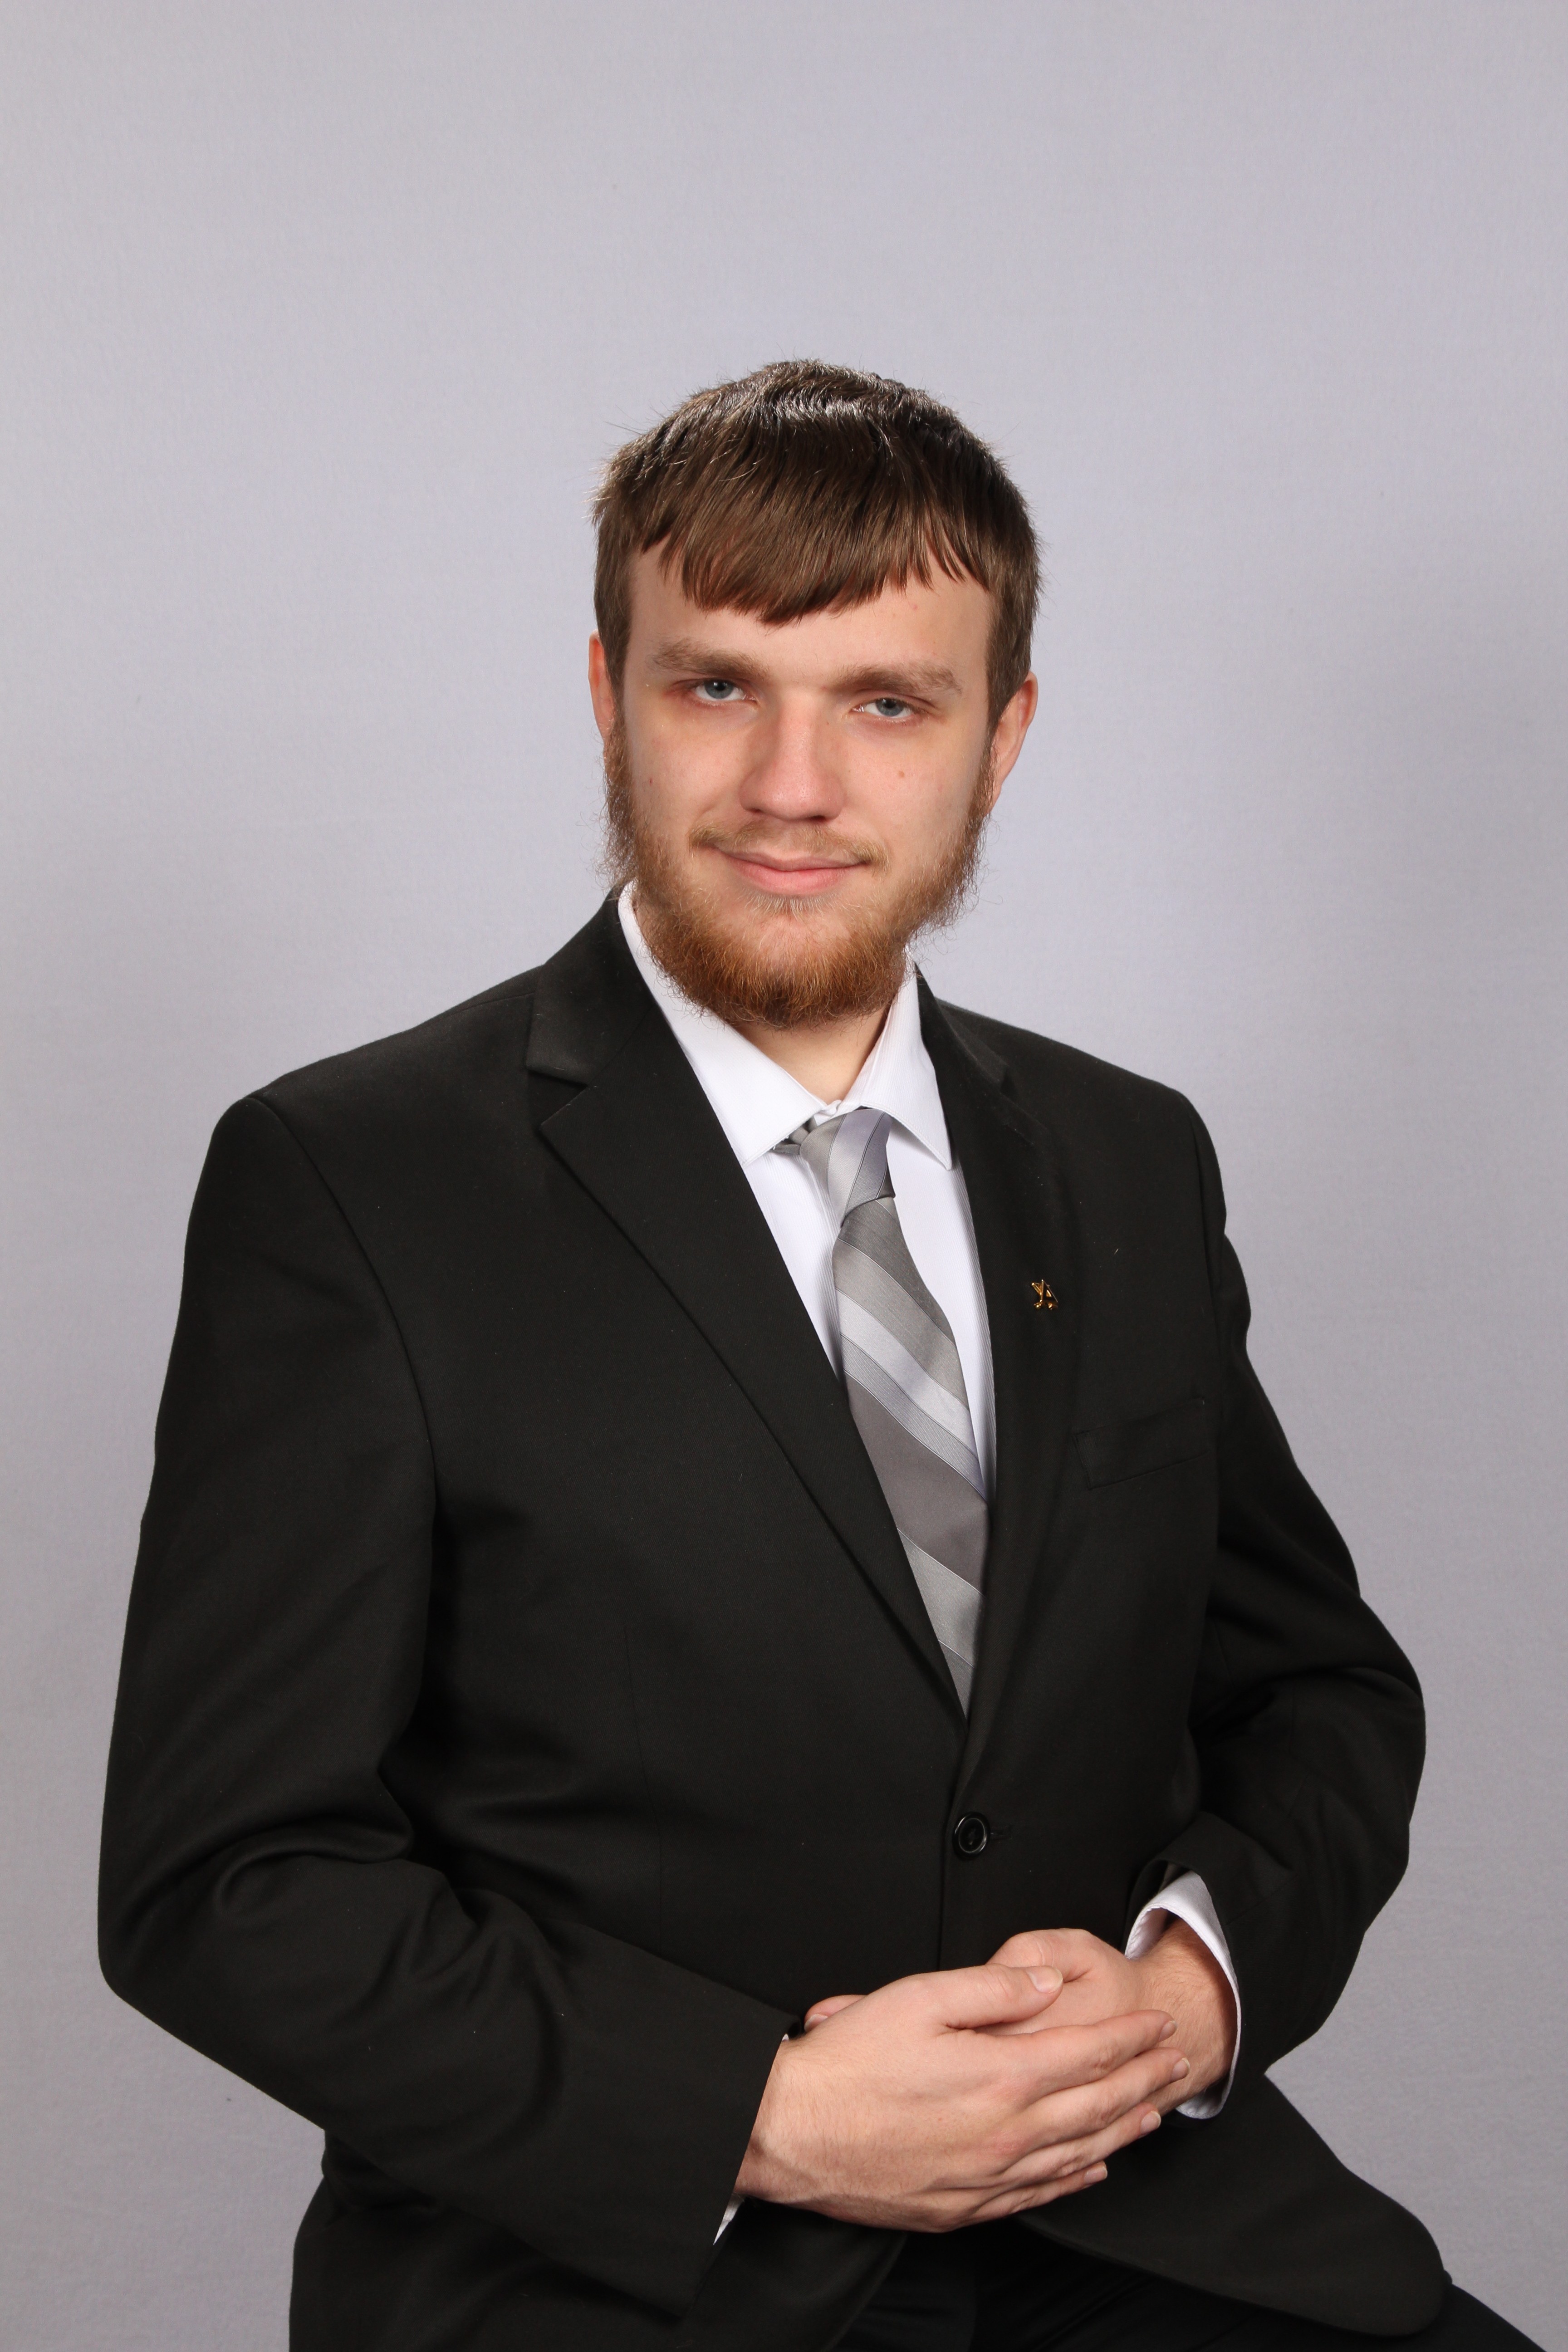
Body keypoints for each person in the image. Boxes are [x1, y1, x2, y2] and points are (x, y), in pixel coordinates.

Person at [99, 361, 1534, 2352]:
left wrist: (1191, 1989)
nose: (793, 785)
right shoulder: (350, 1181)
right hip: (620, 2280)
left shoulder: (1126, 1156)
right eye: (718, 686)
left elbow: (1318, 1691)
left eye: (887, 703)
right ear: (606, 695)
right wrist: (761, 2117)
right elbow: (225, 1879)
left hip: (1152, 2227)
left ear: (1002, 738)